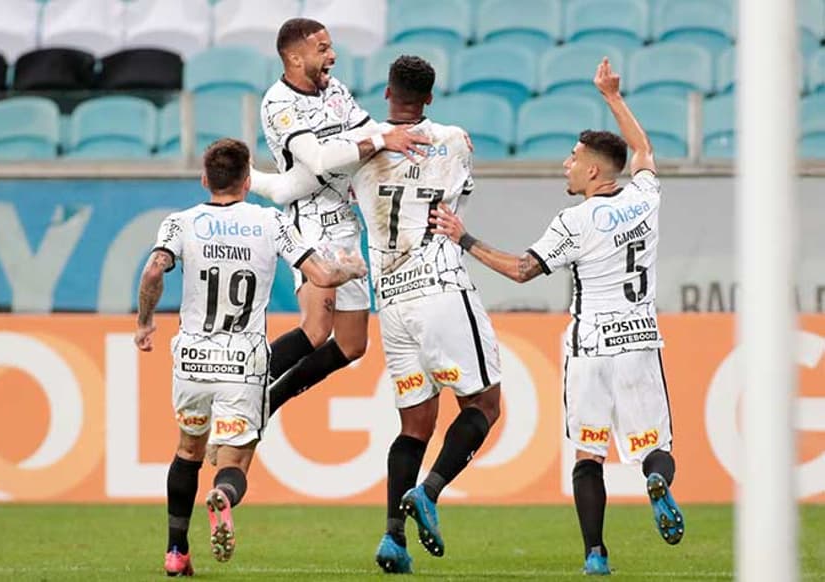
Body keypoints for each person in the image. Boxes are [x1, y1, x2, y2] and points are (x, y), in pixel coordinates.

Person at [431, 58, 683, 576]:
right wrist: (613, 97)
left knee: (588, 457)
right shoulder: (644, 199)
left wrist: (465, 238)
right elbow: (644, 151)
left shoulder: (574, 220)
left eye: (573, 159)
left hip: (589, 347)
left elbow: (523, 270)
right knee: (652, 447)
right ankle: (656, 481)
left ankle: (595, 554)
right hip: (638, 341)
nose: (566, 165)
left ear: (593, 170)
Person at [253, 55, 501, 574]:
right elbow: (458, 198)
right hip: (440, 286)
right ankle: (429, 491)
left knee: (415, 423)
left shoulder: (359, 155)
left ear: (387, 94)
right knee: (485, 403)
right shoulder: (455, 139)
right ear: (429, 98)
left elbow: (296, 184)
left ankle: (393, 538)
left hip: (392, 301)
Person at [134, 138, 367, 577]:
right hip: (245, 362)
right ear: (246, 181)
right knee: (234, 461)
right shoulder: (269, 221)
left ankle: (176, 551)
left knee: (187, 450)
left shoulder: (180, 222)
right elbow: (321, 274)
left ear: (205, 179)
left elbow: (152, 271)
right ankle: (223, 493)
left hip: (192, 358)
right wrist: (351, 270)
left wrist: (145, 323)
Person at [250, 17, 430, 417]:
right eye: (323, 49)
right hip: (311, 221)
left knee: (351, 345)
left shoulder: (334, 89)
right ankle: (247, 382)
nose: (332, 55)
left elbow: (369, 128)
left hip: (347, 221)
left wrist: (438, 133)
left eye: (331, 46)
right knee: (316, 329)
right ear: (295, 57)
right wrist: (379, 141)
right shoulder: (279, 102)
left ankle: (268, 399)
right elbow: (316, 159)